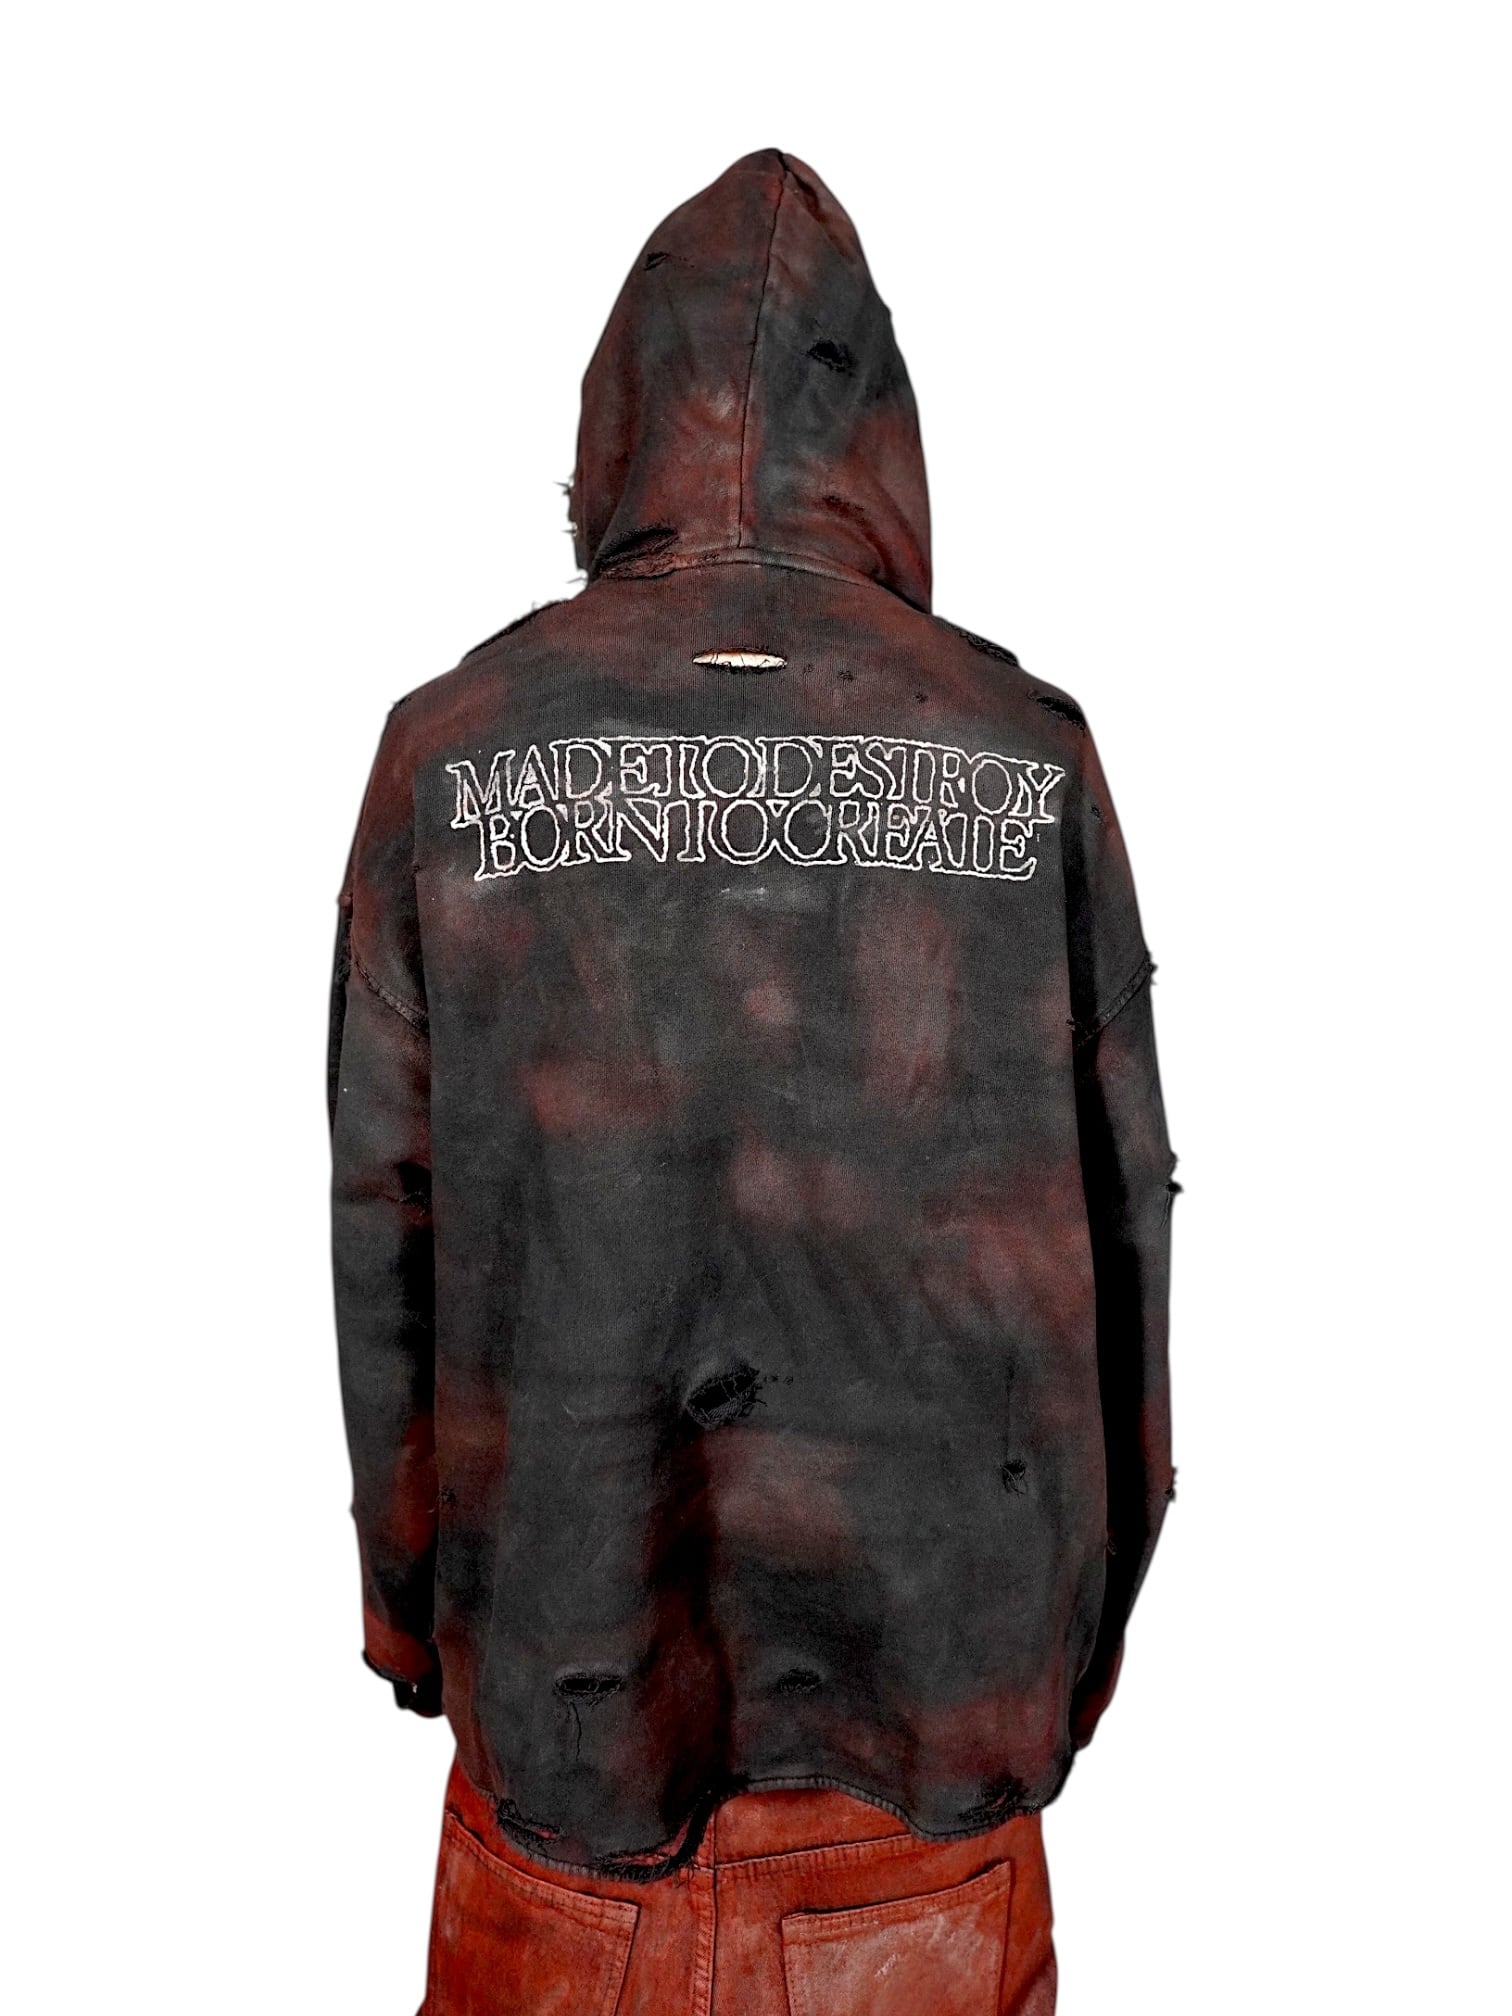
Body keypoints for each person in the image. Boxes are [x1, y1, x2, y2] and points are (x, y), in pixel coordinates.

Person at [328, 147, 1176, 2016]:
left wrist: (422, 1633)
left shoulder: (449, 760)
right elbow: (1128, 1251)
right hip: (927, 1820)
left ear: (619, 414)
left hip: (564, 1798)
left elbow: (385, 1230)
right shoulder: (1027, 759)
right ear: (878, 436)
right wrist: (1052, 1672)